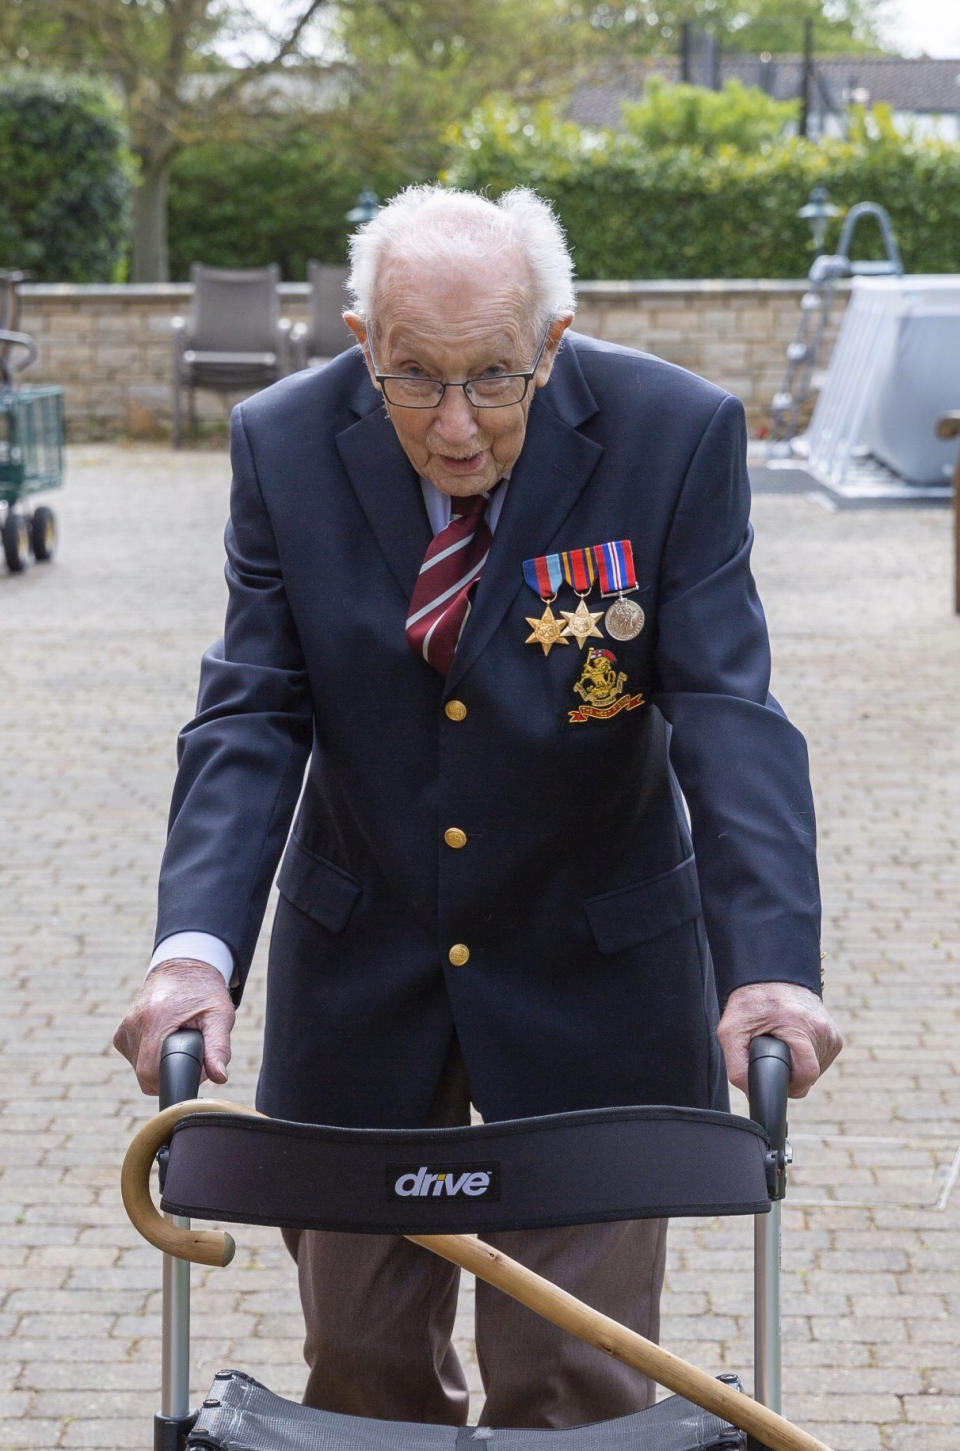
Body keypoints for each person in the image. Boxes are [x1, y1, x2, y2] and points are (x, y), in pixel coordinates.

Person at [115, 185, 842, 1428]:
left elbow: (729, 711)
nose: (455, 425)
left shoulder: (674, 435)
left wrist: (769, 965)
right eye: (414, 376)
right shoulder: (283, 444)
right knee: (362, 1374)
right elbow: (253, 712)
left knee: (576, 1382)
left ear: (552, 341)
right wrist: (195, 953)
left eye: (494, 377)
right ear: (360, 340)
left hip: (593, 969)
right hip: (365, 968)